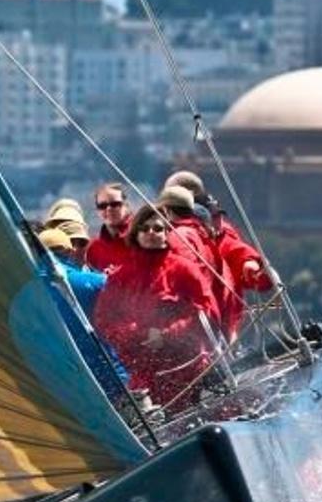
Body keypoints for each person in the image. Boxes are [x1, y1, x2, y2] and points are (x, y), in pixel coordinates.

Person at [92, 204, 223, 413]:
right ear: (136, 234)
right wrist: (137, 335)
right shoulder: (120, 276)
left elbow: (208, 311)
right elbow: (104, 320)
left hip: (188, 372)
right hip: (143, 376)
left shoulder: (184, 269)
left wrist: (167, 334)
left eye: (158, 228)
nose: (151, 233)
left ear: (167, 233)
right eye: (145, 228)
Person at [163, 171, 274, 337]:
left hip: (216, 325)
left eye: (218, 216)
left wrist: (250, 263)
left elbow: (235, 251)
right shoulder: (166, 232)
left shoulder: (218, 236)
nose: (218, 222)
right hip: (192, 324)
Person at [85, 182, 133, 273]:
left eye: (115, 204)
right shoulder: (94, 249)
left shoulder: (143, 236)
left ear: (126, 206)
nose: (109, 209)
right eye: (102, 206)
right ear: (97, 211)